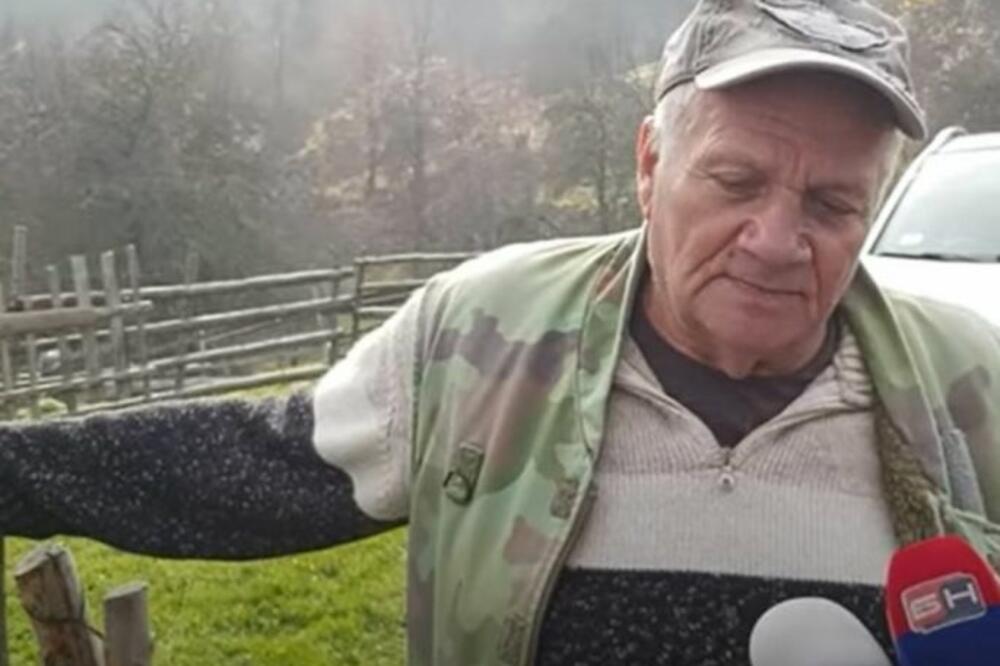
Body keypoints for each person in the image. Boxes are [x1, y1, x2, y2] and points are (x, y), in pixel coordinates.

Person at [4, 0, 1000, 664]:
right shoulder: (483, 334)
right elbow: (259, 468)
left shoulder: (971, 384)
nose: (777, 240)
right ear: (649, 166)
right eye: (735, 181)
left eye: (831, 203)